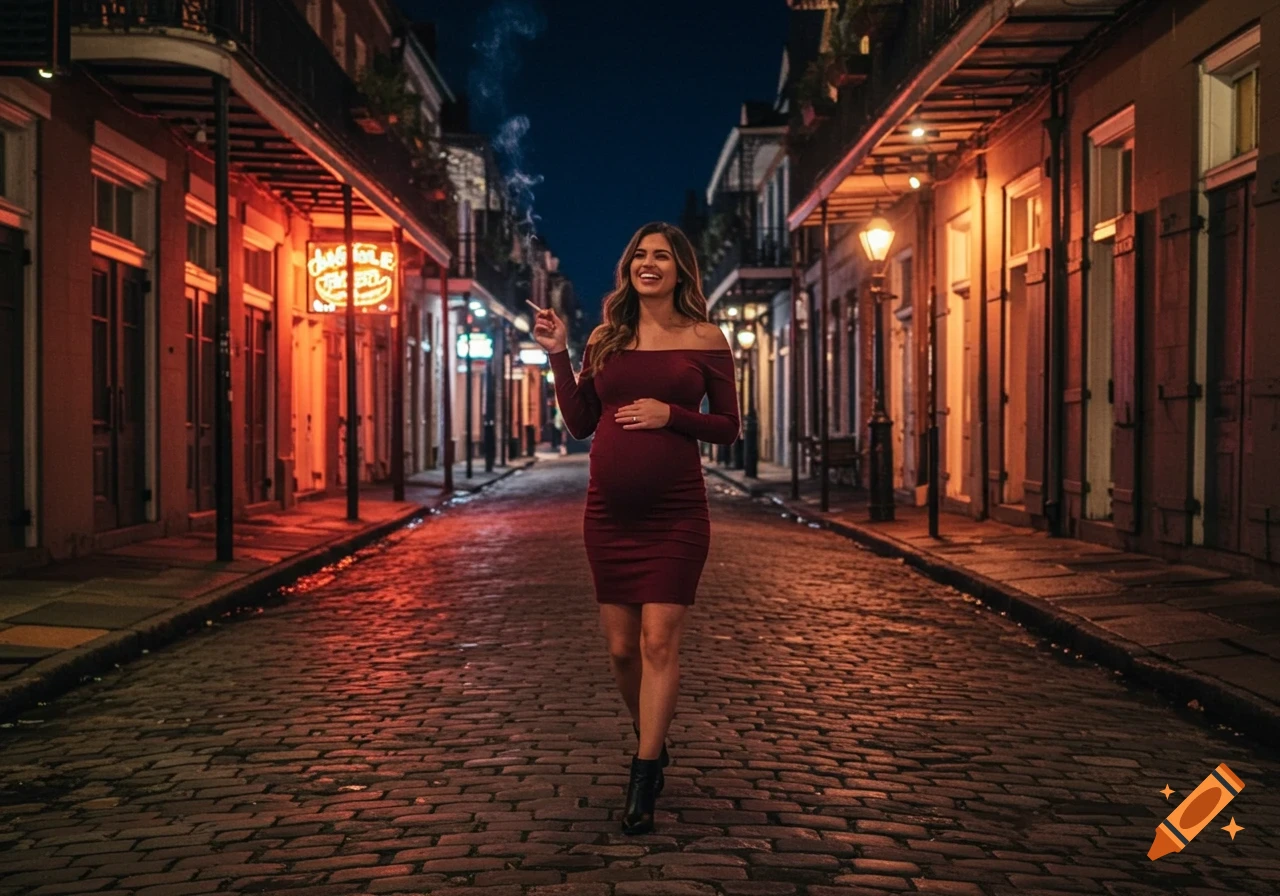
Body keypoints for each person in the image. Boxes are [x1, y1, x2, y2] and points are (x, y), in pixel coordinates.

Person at [531, 222, 740, 835]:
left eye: (663, 256)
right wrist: (558, 352)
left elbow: (729, 426)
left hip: (677, 512)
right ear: (628, 269)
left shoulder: (705, 338)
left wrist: (671, 414)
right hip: (609, 516)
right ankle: (653, 734)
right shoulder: (606, 339)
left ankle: (644, 774)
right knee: (622, 651)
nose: (650, 264)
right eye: (640, 256)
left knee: (657, 644)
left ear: (680, 270)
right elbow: (579, 423)